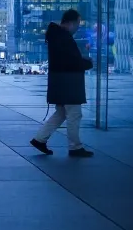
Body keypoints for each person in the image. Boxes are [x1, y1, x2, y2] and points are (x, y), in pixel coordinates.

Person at [31, 8, 94, 158]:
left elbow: (65, 60)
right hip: (69, 84)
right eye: (78, 23)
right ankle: (75, 147)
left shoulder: (57, 36)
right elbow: (71, 62)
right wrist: (86, 63)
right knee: (74, 114)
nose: (78, 27)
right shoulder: (64, 38)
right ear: (71, 23)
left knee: (61, 113)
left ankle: (40, 139)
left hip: (60, 83)